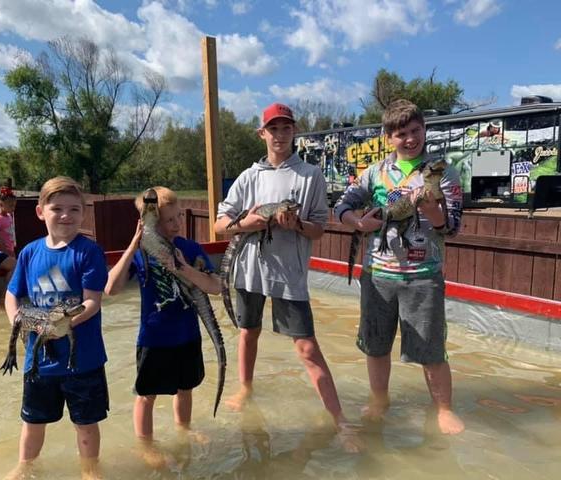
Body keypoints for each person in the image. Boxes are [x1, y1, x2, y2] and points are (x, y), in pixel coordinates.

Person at [213, 102, 362, 452]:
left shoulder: (311, 175)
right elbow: (220, 226)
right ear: (262, 134)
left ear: (294, 131)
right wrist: (246, 224)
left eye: (286, 128)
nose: (279, 135)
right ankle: (245, 388)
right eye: (273, 129)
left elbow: (318, 229)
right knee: (248, 333)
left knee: (307, 347)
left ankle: (339, 418)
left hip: (289, 274)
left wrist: (296, 223)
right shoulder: (248, 177)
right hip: (248, 270)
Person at [334, 99, 465, 435]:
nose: (410, 138)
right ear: (388, 137)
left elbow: (450, 227)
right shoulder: (375, 173)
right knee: (376, 345)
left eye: (415, 130)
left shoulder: (442, 172)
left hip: (424, 277)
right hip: (379, 275)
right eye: (401, 133)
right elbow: (343, 204)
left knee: (432, 349)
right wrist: (356, 223)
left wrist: (432, 208)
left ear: (424, 129)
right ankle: (380, 398)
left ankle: (444, 409)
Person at [105, 186, 221, 468]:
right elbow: (111, 288)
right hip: (153, 337)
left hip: (187, 335)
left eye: (178, 217)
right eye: (169, 220)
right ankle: (145, 444)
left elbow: (216, 287)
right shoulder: (141, 253)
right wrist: (133, 245)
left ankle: (184, 429)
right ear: (151, 223)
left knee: (186, 388)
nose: (177, 224)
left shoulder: (190, 248)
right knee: (146, 395)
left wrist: (185, 269)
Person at [4, 176, 109, 480]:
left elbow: (92, 303)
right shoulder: (29, 252)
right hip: (39, 362)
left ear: (83, 213)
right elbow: (12, 294)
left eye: (74, 209)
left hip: (83, 359)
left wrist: (62, 325)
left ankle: (90, 470)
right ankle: (24, 468)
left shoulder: (88, 252)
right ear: (40, 212)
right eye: (57, 208)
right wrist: (15, 319)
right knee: (32, 423)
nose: (66, 215)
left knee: (86, 424)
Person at [0, 185, 18, 257]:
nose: (13, 208)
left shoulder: (9, 216)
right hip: (0, 251)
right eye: (11, 205)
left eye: (14, 205)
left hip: (10, 249)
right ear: (1, 204)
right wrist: (5, 251)